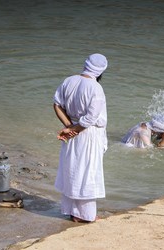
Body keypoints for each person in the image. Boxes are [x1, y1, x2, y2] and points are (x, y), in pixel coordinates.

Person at [53, 53, 108, 223]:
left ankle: (73, 212)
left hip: (74, 130)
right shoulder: (96, 88)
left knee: (73, 170)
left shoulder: (69, 80)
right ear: (100, 71)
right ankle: (87, 215)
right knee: (87, 173)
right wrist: (74, 130)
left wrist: (69, 126)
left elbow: (56, 104)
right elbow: (90, 119)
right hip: (88, 133)